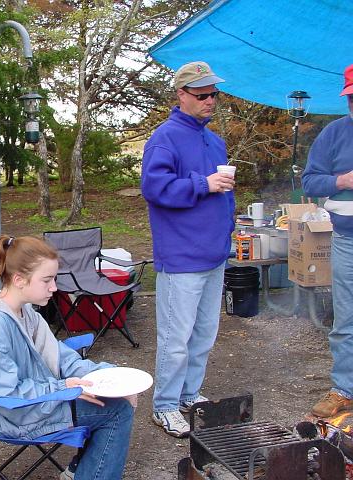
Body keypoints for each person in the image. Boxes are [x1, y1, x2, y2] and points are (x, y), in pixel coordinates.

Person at [0, 235, 136, 480]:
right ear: (19, 279)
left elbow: (61, 358)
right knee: (116, 411)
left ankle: (81, 470)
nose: (54, 288)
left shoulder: (24, 312)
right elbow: (2, 395)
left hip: (36, 399)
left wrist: (106, 375)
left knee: (111, 398)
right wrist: (63, 388)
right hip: (11, 413)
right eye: (47, 280)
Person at [140, 61, 235, 438]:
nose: (211, 100)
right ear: (182, 95)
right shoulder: (164, 137)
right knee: (176, 338)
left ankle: (189, 395)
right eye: (203, 95)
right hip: (181, 257)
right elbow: (155, 188)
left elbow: (218, 191)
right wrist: (203, 184)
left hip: (214, 255)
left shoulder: (214, 140)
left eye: (214, 93)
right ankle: (164, 405)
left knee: (204, 334)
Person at [302, 63, 353, 418]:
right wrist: (341, 181)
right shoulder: (334, 133)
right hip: (347, 239)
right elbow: (310, 182)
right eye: (352, 98)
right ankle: (345, 390)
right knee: (347, 319)